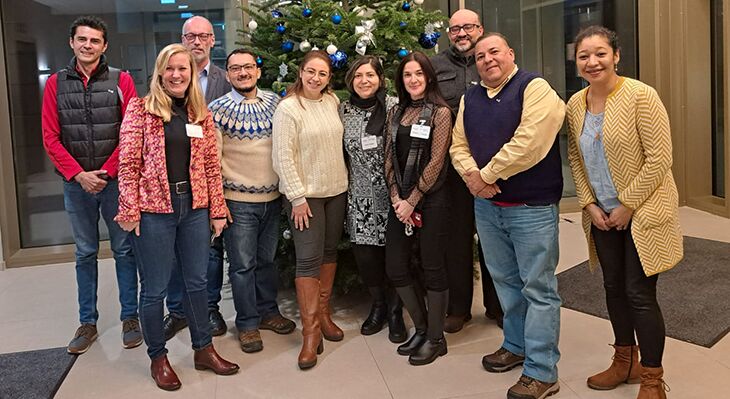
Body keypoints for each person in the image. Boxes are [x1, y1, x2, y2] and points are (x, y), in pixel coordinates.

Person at [566, 25, 682, 399]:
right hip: (601, 215)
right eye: (584, 56)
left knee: (638, 294)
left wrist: (627, 204)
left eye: (600, 53)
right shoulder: (575, 103)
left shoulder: (640, 96)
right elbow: (575, 158)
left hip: (643, 214)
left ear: (616, 55)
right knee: (612, 289)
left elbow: (660, 158)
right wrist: (587, 203)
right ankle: (624, 360)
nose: (592, 61)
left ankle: (651, 378)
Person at [116, 44, 238, 391]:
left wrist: (217, 210)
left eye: (182, 69)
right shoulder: (140, 109)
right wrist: (128, 210)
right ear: (159, 72)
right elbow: (127, 164)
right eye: (169, 69)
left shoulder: (200, 113)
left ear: (191, 72)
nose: (176, 75)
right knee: (154, 289)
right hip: (154, 209)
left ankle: (204, 349)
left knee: (197, 283)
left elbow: (211, 167)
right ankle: (159, 357)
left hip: (195, 207)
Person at [450, 33, 565, 399]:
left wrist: (486, 175)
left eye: (494, 51)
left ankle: (542, 371)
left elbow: (529, 142)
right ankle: (515, 346)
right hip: (488, 208)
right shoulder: (471, 97)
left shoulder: (535, 87)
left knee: (539, 290)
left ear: (511, 54)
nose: (487, 59)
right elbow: (458, 144)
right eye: (480, 55)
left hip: (531, 208)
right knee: (507, 285)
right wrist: (474, 179)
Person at [41, 15, 140, 354]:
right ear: (72, 43)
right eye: (82, 39)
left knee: (125, 250)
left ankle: (131, 317)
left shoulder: (121, 80)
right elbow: (51, 137)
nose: (87, 45)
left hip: (114, 183)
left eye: (94, 40)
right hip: (76, 184)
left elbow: (131, 134)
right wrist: (78, 175)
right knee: (85, 253)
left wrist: (107, 173)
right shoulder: (55, 83)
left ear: (104, 46)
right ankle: (87, 323)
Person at [208, 48, 296, 354]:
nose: (243, 73)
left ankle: (268, 312)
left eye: (248, 67)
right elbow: (212, 160)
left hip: (272, 199)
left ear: (258, 71)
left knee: (267, 262)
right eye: (235, 69)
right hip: (237, 202)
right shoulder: (217, 109)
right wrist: (217, 203)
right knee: (243, 266)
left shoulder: (276, 103)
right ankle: (246, 323)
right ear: (228, 74)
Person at [272, 50, 348, 370]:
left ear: (329, 78)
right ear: (300, 73)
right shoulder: (289, 108)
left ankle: (325, 314)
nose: (316, 78)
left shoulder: (331, 102)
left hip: (336, 190)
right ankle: (310, 333)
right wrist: (298, 197)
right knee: (307, 260)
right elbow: (282, 157)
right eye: (311, 72)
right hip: (306, 198)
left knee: (330, 252)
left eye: (323, 74)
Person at [430, 8, 503, 333]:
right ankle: (459, 309)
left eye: (468, 27)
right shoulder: (435, 67)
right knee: (456, 243)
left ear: (480, 28)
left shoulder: (493, 63)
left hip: (492, 171)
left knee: (494, 241)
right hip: (453, 173)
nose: (461, 33)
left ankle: (498, 307)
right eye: (455, 29)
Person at [164, 15, 233, 340]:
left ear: (212, 41)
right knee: (176, 252)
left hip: (211, 177)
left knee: (210, 251)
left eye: (203, 36)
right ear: (182, 38)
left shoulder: (225, 79)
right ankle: (177, 311)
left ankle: (209, 308)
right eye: (190, 36)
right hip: (174, 180)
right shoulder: (167, 80)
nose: (196, 41)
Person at [384, 51, 453, 366]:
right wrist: (399, 198)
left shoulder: (440, 113)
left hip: (432, 200)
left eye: (418, 74)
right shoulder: (396, 111)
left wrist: (414, 198)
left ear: (429, 77)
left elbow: (437, 161)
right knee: (396, 266)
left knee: (433, 267)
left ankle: (437, 339)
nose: (413, 80)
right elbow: (388, 157)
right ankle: (422, 328)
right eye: (407, 75)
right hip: (400, 201)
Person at [340, 56, 406, 343]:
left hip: (393, 197)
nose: (364, 81)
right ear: (350, 81)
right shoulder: (342, 110)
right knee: (367, 258)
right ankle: (378, 305)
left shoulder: (393, 107)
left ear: (380, 78)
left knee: (395, 258)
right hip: (359, 199)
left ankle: (395, 311)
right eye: (358, 76)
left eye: (369, 75)